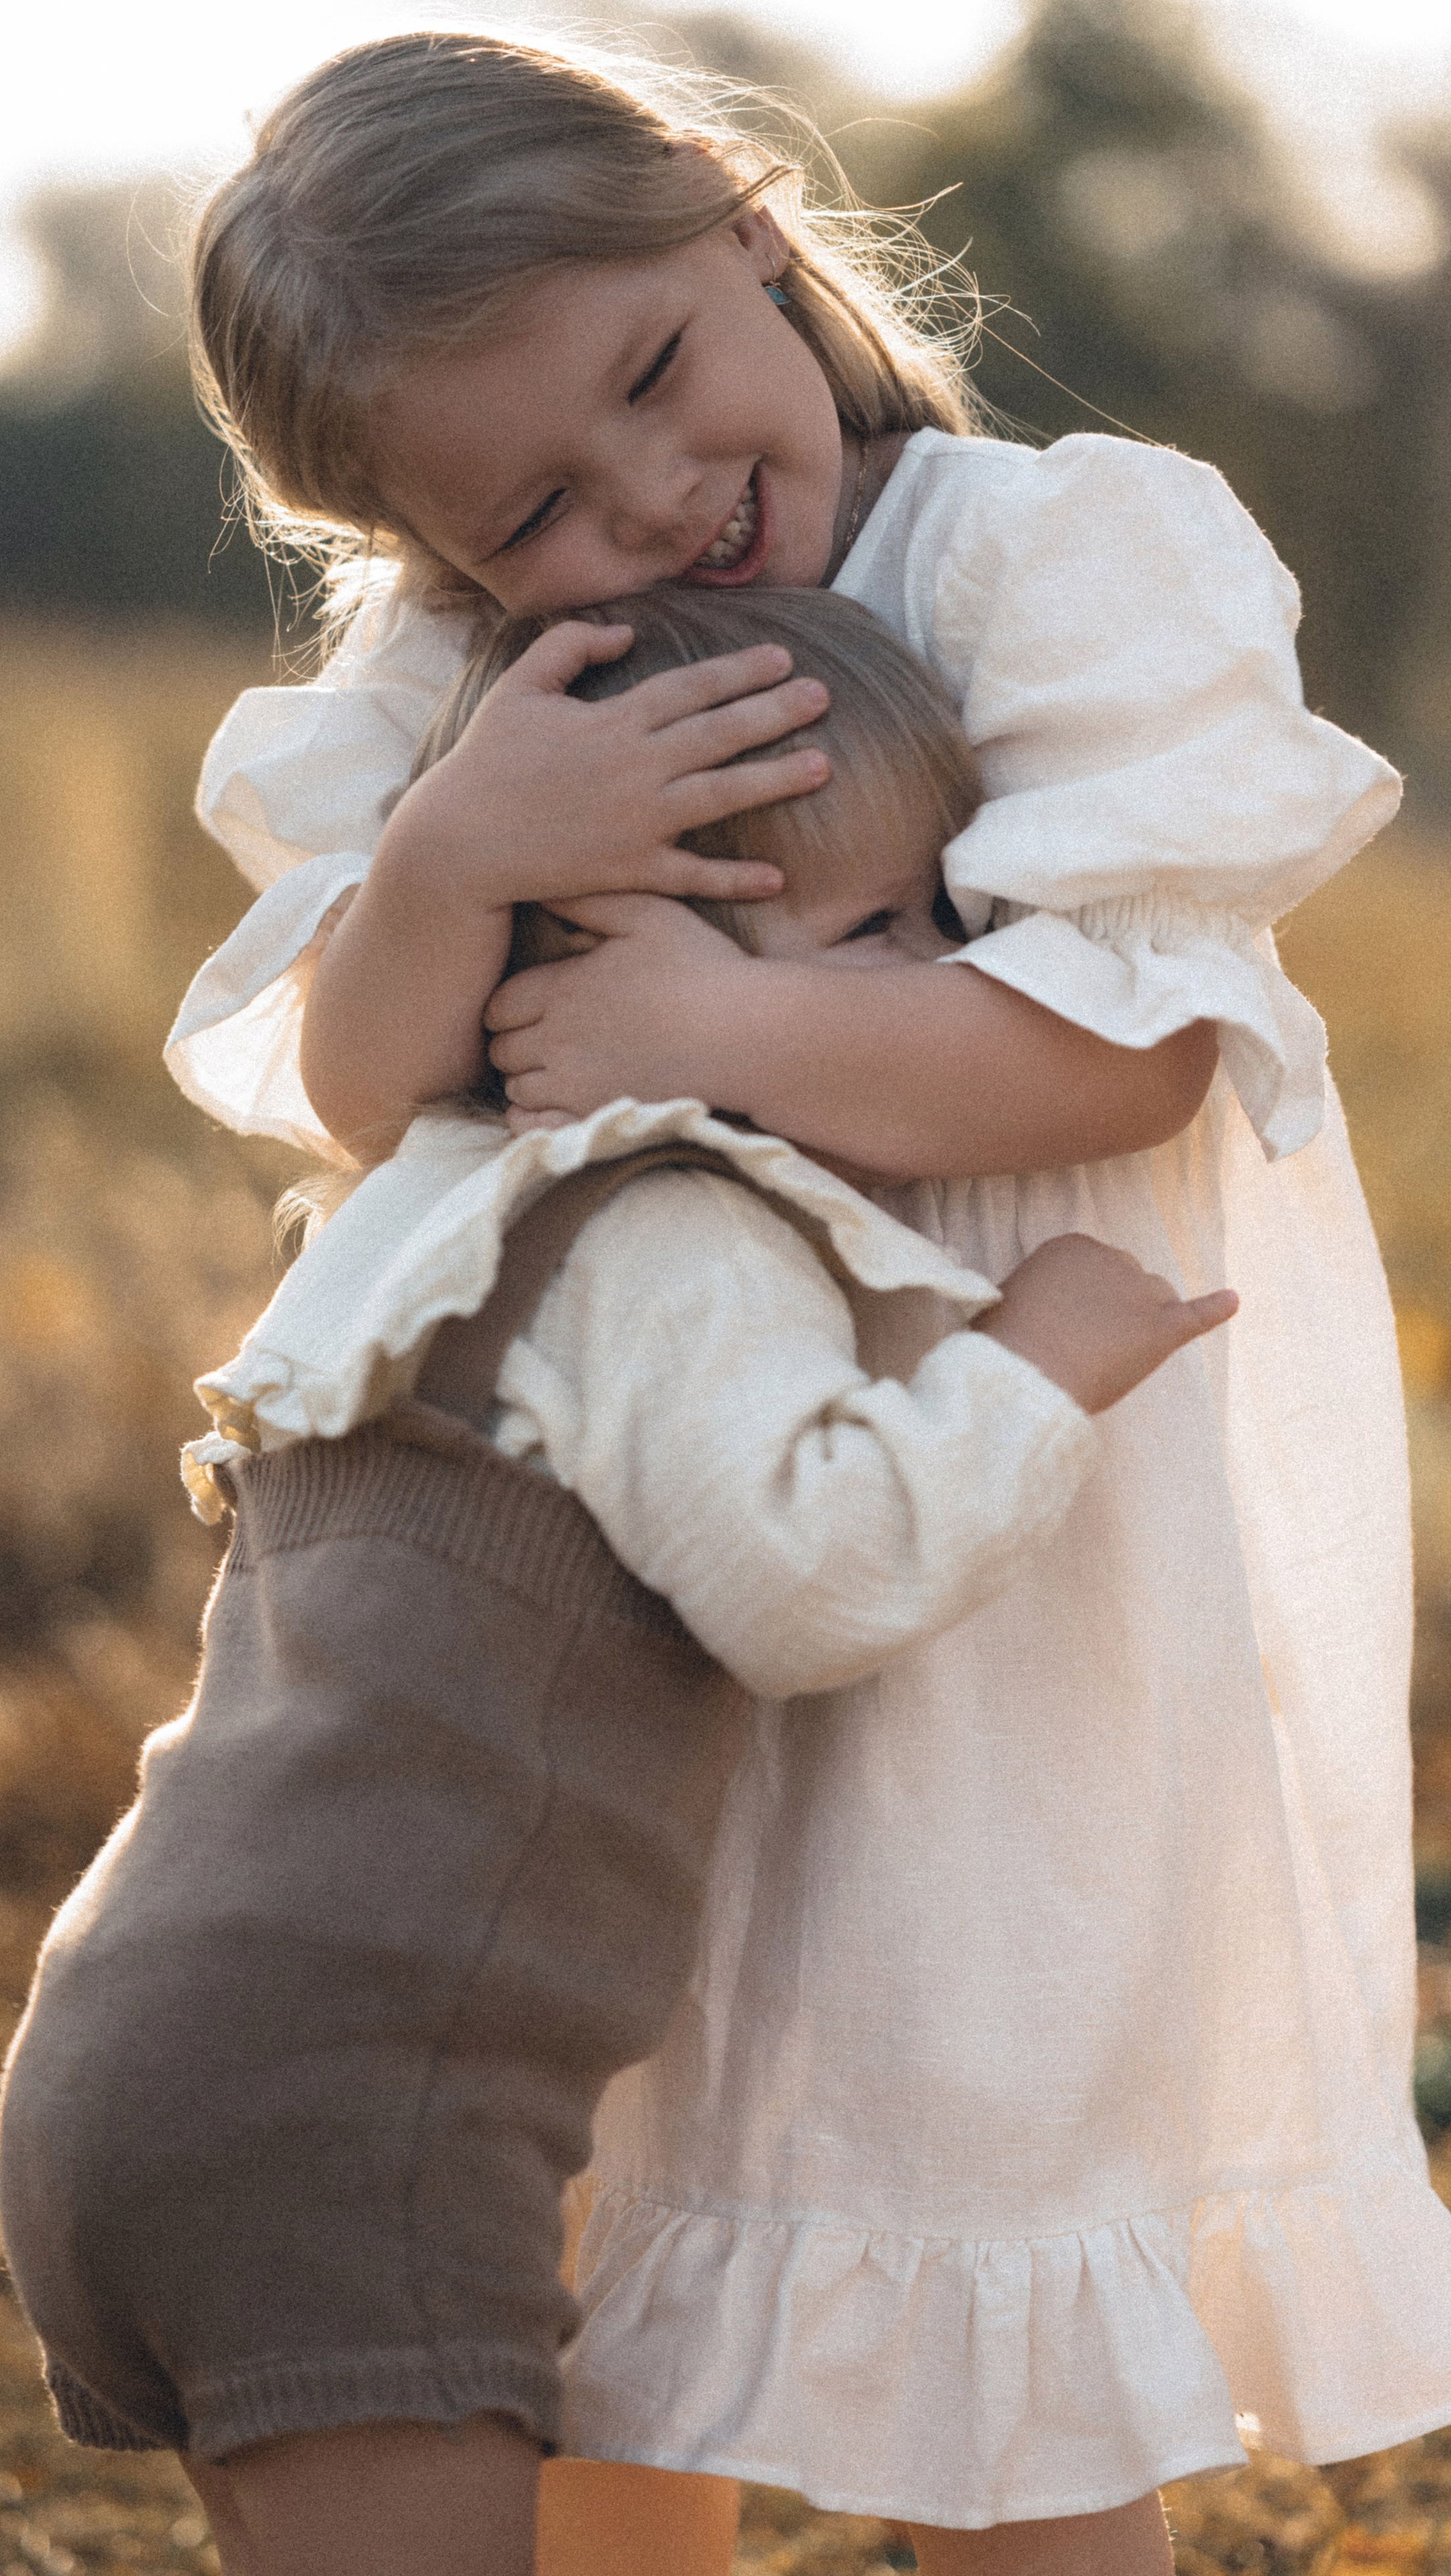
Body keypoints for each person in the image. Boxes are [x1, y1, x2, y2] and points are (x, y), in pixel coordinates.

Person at [159, 29, 1451, 2575]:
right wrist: (451, 868)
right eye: (534, 501)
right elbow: (352, 1089)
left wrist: (716, 1029)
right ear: (422, 533)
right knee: (630, 2135)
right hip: (618, 1556)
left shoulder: (1046, 558)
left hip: (1014, 1507)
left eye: (655, 373)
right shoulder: (460, 697)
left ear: (751, 223)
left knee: (987, 2103)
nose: (648, 496)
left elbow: (1144, 1036)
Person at [0, 588, 1236, 2576]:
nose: (937, 980)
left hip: (138, 2063)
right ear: (615, 958)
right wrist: (1036, 1369)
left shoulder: (421, 1209)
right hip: (341, 2127)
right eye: (882, 933)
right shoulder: (673, 1230)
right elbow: (814, 1573)